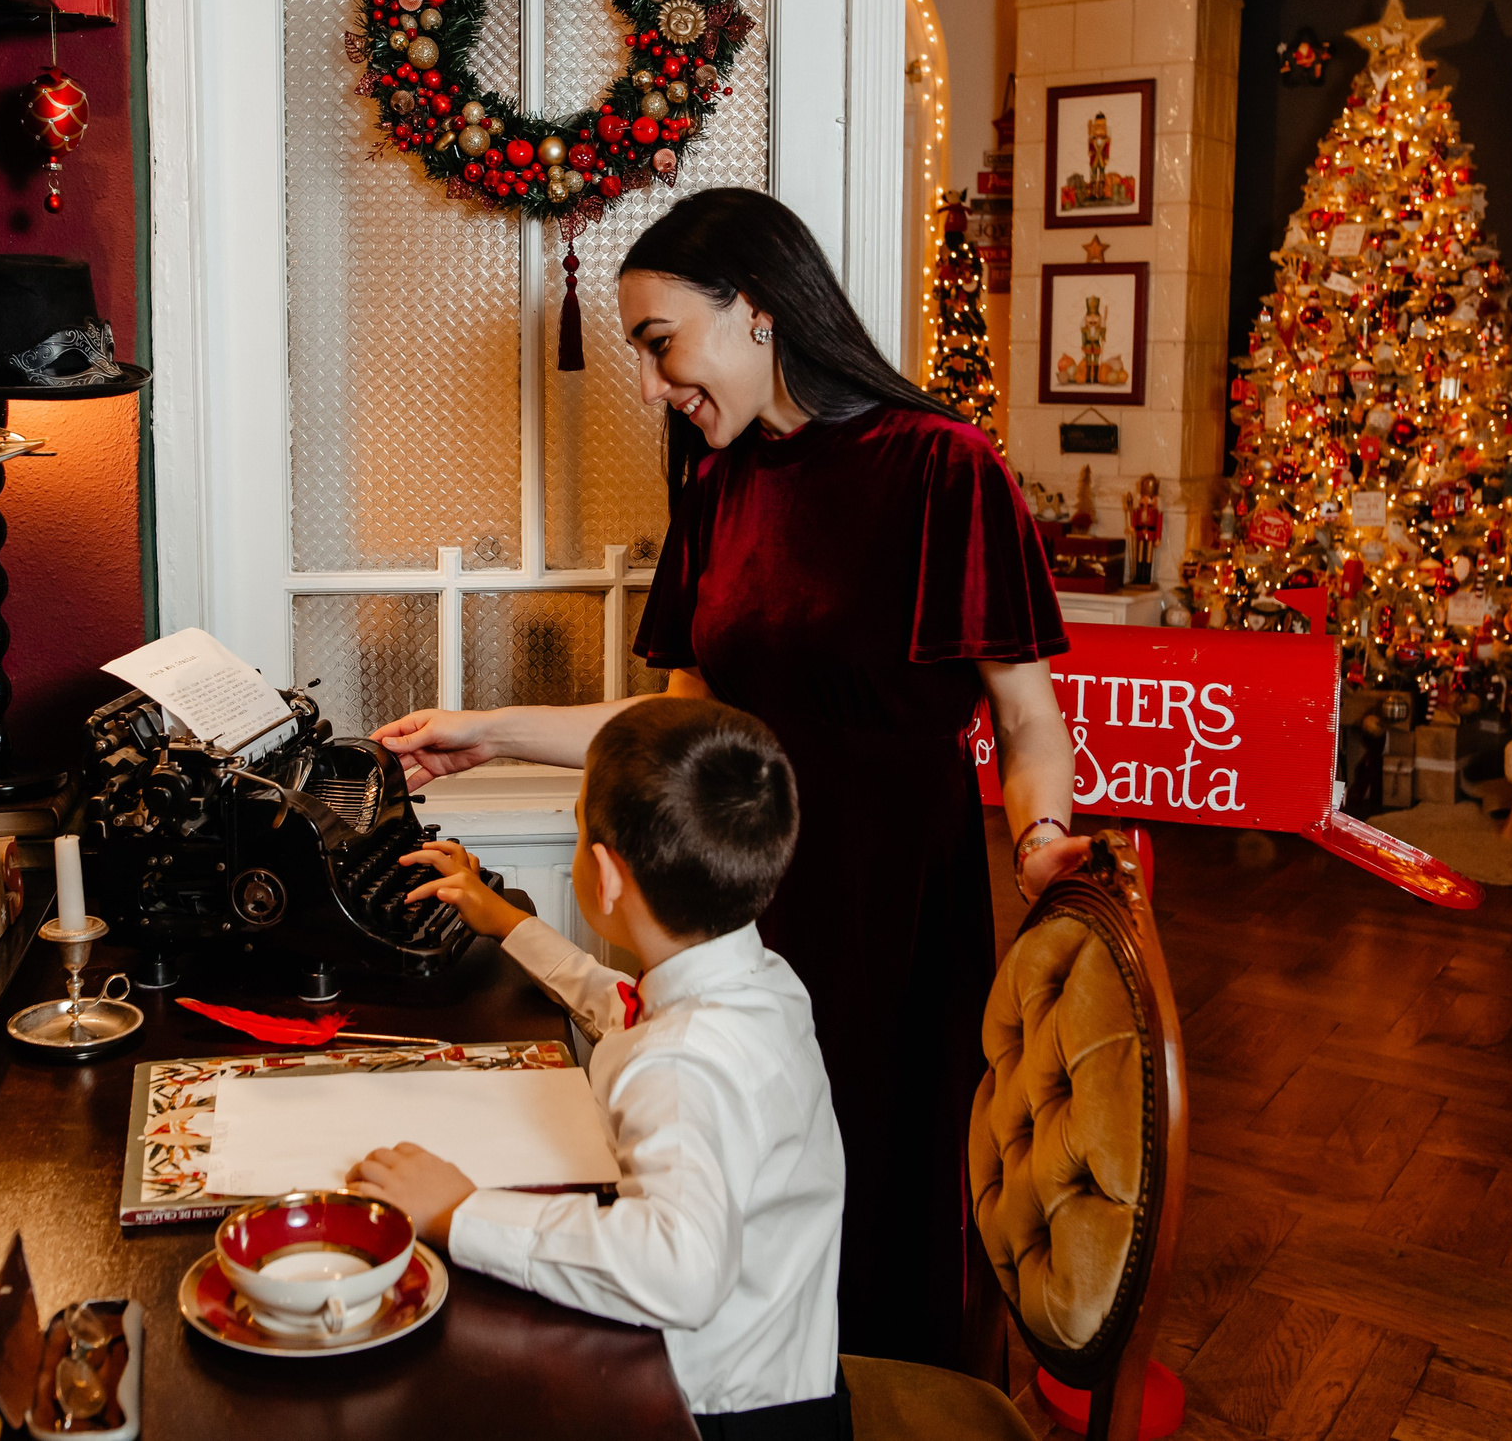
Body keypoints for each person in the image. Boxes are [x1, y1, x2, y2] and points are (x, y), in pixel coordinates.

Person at [374, 187, 1087, 1369]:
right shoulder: (719, 482)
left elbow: (1026, 720)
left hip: (895, 901)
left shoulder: (943, 468)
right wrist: (489, 729)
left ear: (756, 311)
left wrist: (1041, 835)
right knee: (710, 1193)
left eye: (658, 345)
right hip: (738, 894)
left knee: (875, 1189)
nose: (648, 387)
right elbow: (682, 725)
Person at [351, 696, 848, 1440]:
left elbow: (679, 1269)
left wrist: (462, 1211)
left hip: (717, 1412)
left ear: (607, 876)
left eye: (579, 830)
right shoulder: (755, 979)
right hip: (784, 1370)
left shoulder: (686, 1065)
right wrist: (512, 922)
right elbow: (630, 1009)